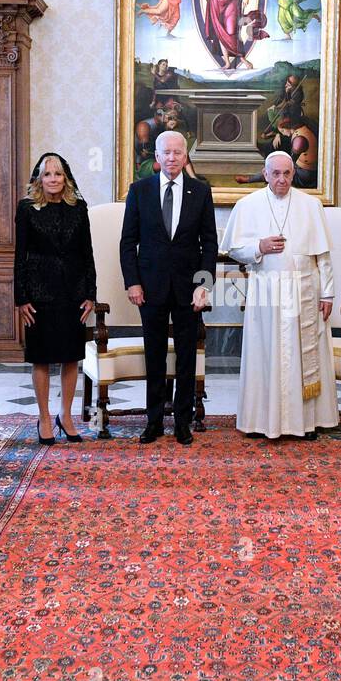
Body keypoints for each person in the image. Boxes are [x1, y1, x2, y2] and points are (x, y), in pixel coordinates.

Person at [223, 151, 339, 439]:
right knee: (265, 352)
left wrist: (328, 294)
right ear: (265, 174)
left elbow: (322, 257)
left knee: (304, 356)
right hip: (266, 291)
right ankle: (261, 422)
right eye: (275, 173)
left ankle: (306, 423)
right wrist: (259, 247)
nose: (281, 179)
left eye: (287, 173)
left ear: (293, 174)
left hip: (306, 292)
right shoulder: (247, 204)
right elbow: (233, 249)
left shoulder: (311, 205)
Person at [119, 129, 217, 445]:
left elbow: (210, 244)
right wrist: (132, 282)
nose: (172, 157)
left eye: (178, 152)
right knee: (155, 355)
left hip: (190, 290)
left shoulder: (201, 192)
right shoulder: (139, 190)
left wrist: (205, 286)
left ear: (185, 156)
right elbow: (128, 242)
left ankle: (183, 422)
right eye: (167, 152)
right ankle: (153, 421)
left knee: (187, 356)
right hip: (150, 287)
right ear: (157, 157)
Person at [14, 152, 96, 444]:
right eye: (47, 174)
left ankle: (66, 415)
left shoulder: (79, 207)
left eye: (58, 174)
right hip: (39, 294)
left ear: (66, 177)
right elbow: (19, 255)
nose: (53, 179)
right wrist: (21, 298)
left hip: (73, 292)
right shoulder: (26, 209)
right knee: (42, 358)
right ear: (38, 178)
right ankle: (45, 417)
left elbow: (87, 254)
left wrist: (91, 294)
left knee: (71, 357)